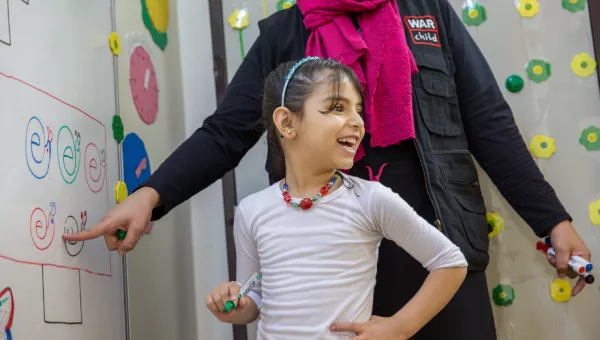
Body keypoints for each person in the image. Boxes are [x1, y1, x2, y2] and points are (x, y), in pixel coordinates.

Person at [64, 0, 591, 338]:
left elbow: (489, 122)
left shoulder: (427, 11)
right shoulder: (281, 34)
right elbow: (226, 133)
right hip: (324, 265)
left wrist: (553, 220)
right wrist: (151, 194)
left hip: (437, 251)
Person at [205, 56, 468, 339]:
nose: (357, 122)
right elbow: (254, 297)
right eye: (337, 108)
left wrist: (399, 327)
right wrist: (237, 305)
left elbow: (450, 262)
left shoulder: (369, 200)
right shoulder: (251, 210)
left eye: (358, 110)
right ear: (286, 122)